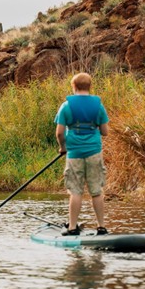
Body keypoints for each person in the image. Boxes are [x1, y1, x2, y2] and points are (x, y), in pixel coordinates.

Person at [55, 72, 110, 236]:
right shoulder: (99, 106)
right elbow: (105, 131)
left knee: (76, 191)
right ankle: (101, 227)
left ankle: (72, 227)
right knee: (96, 190)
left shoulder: (66, 106)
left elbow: (59, 133)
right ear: (89, 86)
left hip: (74, 153)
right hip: (94, 152)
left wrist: (62, 147)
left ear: (74, 87)